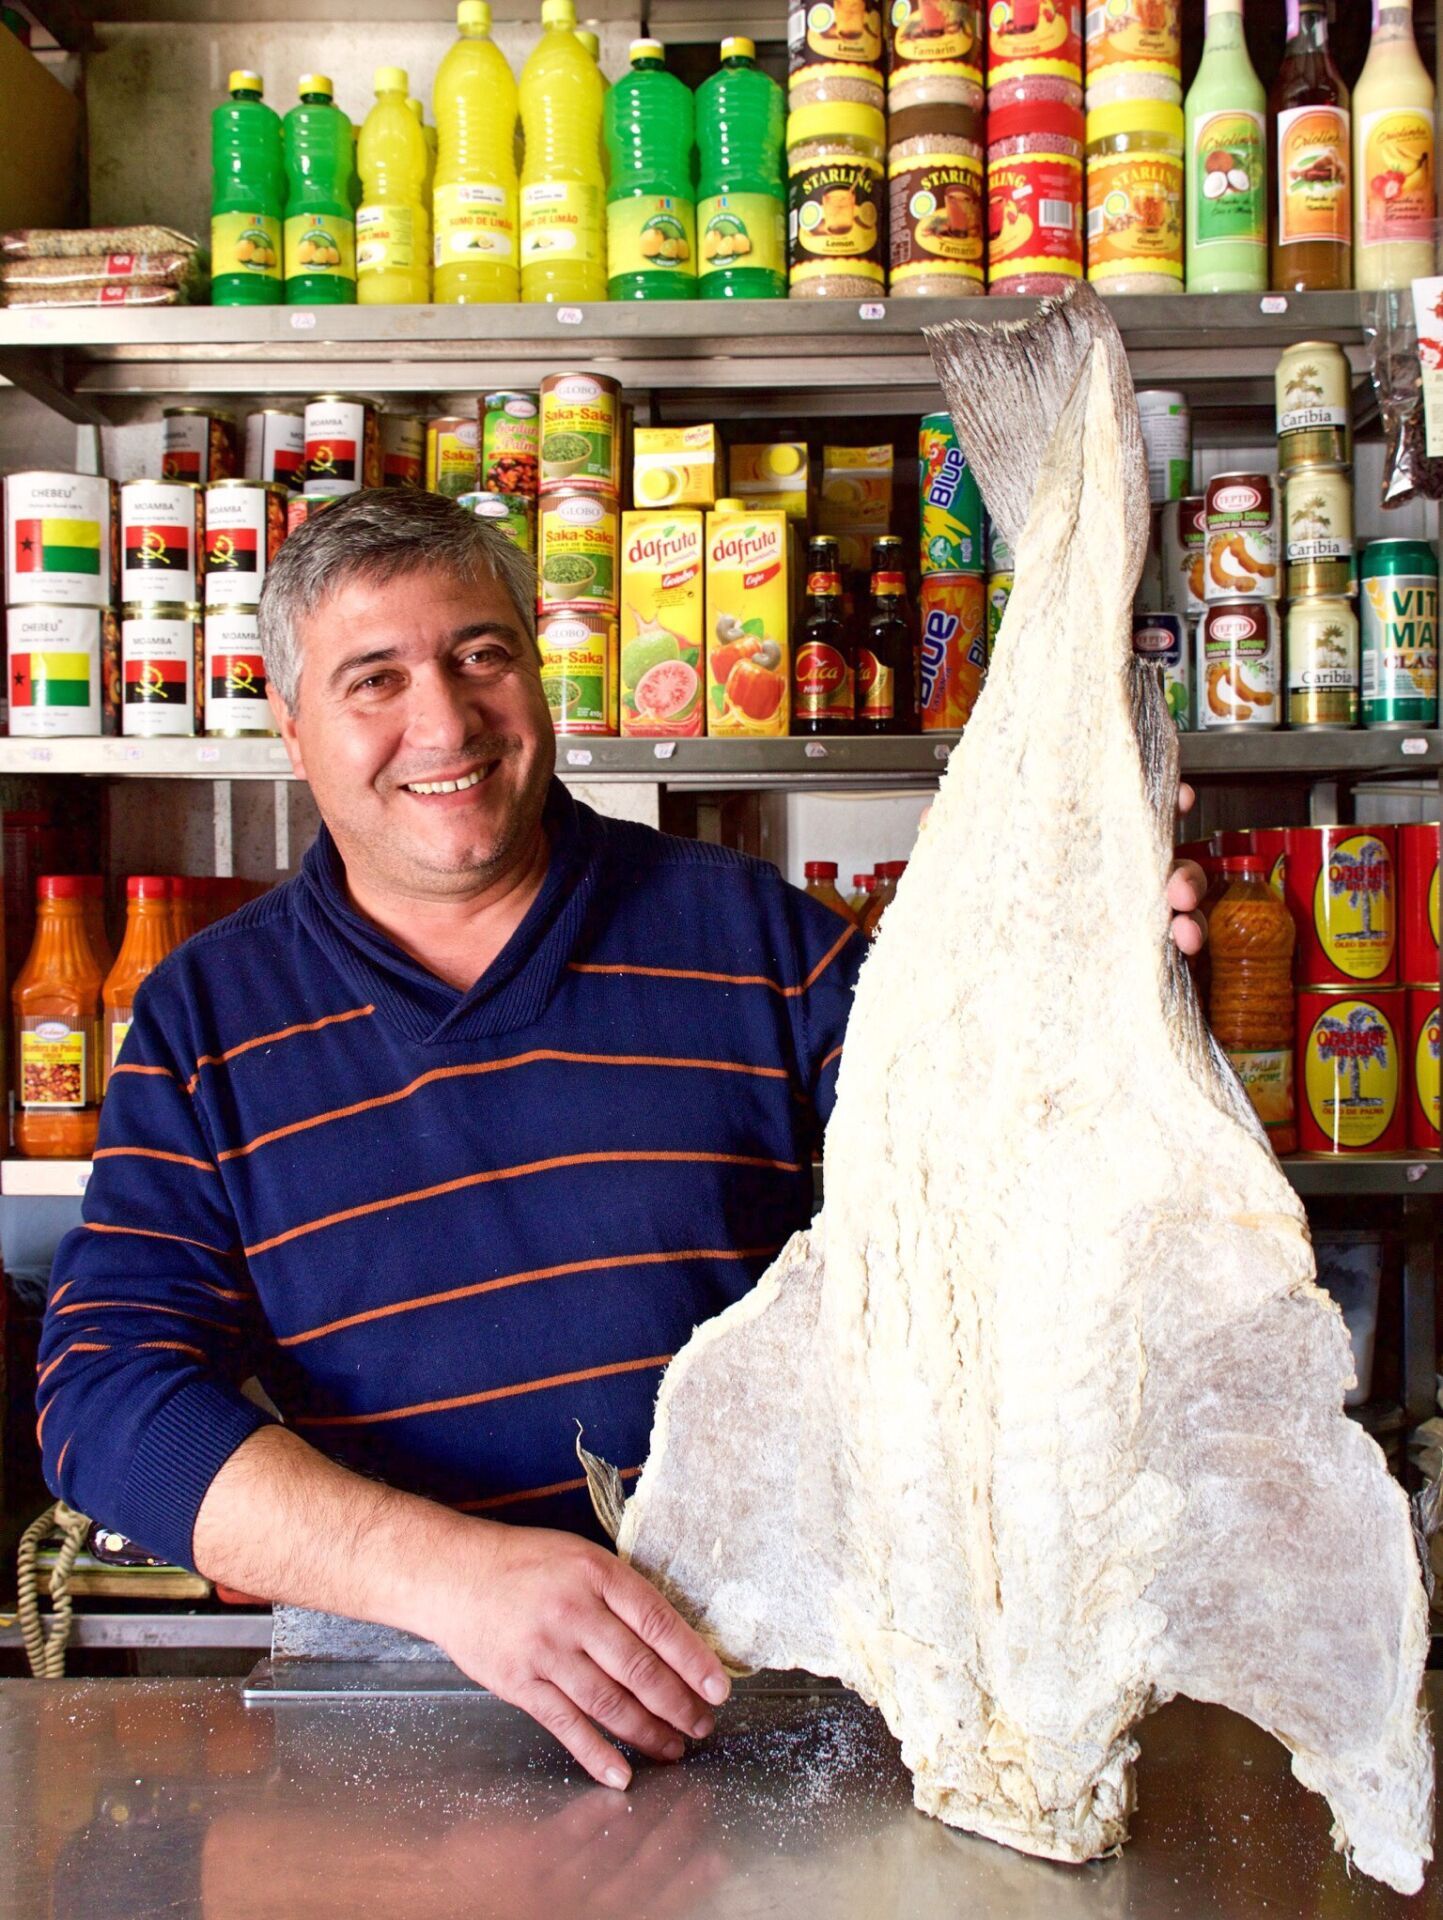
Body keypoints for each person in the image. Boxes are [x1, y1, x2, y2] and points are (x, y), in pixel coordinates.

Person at [36, 490, 1207, 1788]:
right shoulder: (205, 1018)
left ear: (539, 674)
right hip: (405, 1705)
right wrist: (454, 1579)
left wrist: (1084, 995)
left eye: (481, 654)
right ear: (291, 724)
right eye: (375, 678)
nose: (445, 719)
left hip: (778, 1687)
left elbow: (1003, 1194)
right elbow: (105, 1395)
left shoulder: (753, 939)